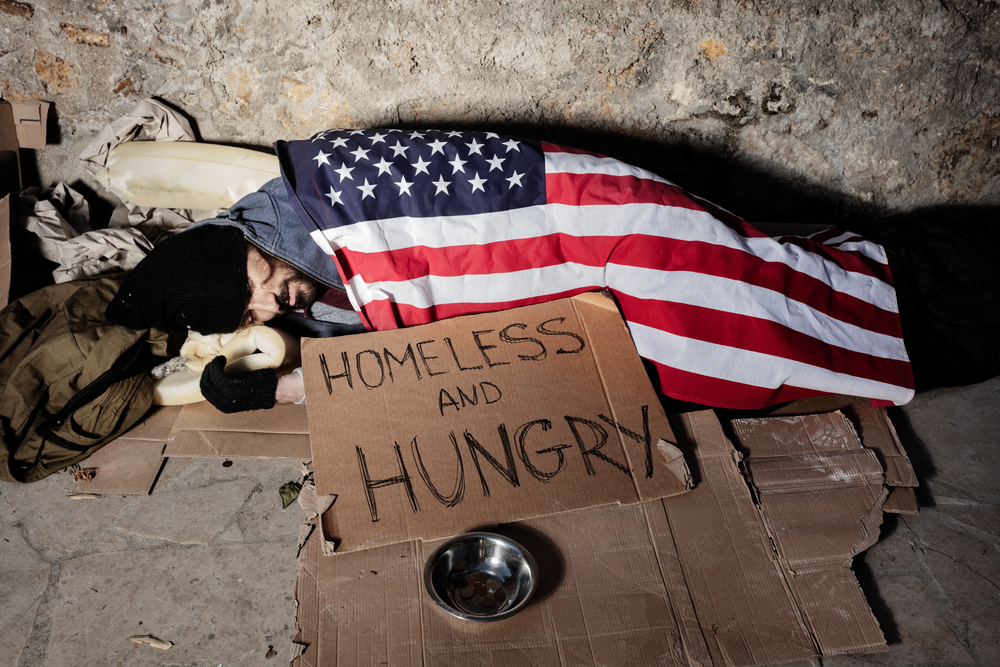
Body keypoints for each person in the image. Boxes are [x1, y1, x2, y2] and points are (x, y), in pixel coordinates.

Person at [107, 129, 1000, 413]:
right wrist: (284, 378)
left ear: (244, 240)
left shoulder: (336, 195)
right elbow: (396, 356)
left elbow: (493, 212)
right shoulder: (285, 269)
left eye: (259, 280)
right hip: (574, 291)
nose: (274, 302)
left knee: (785, 311)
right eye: (256, 306)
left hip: (602, 235)